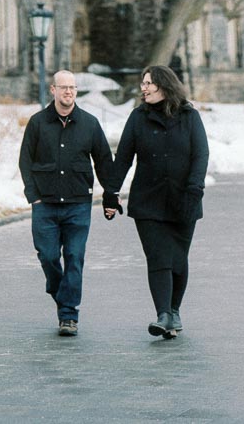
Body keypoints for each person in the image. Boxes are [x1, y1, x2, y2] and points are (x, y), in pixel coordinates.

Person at [107, 64, 208, 340]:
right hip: (147, 201)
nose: (144, 87)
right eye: (143, 83)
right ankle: (163, 314)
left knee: (178, 259)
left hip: (183, 199)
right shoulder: (137, 118)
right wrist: (111, 192)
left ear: (165, 85)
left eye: (149, 83)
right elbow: (124, 157)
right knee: (158, 257)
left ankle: (174, 310)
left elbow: (200, 156)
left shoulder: (189, 117)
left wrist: (194, 190)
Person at [19, 68, 119, 337]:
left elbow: (103, 162)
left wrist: (111, 195)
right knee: (48, 256)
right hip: (46, 204)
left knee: (74, 257)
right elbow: (25, 162)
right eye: (63, 87)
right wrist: (34, 197)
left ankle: (68, 315)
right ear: (53, 90)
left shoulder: (89, 124)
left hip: (78, 204)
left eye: (73, 88)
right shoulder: (38, 123)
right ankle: (62, 294)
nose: (68, 92)